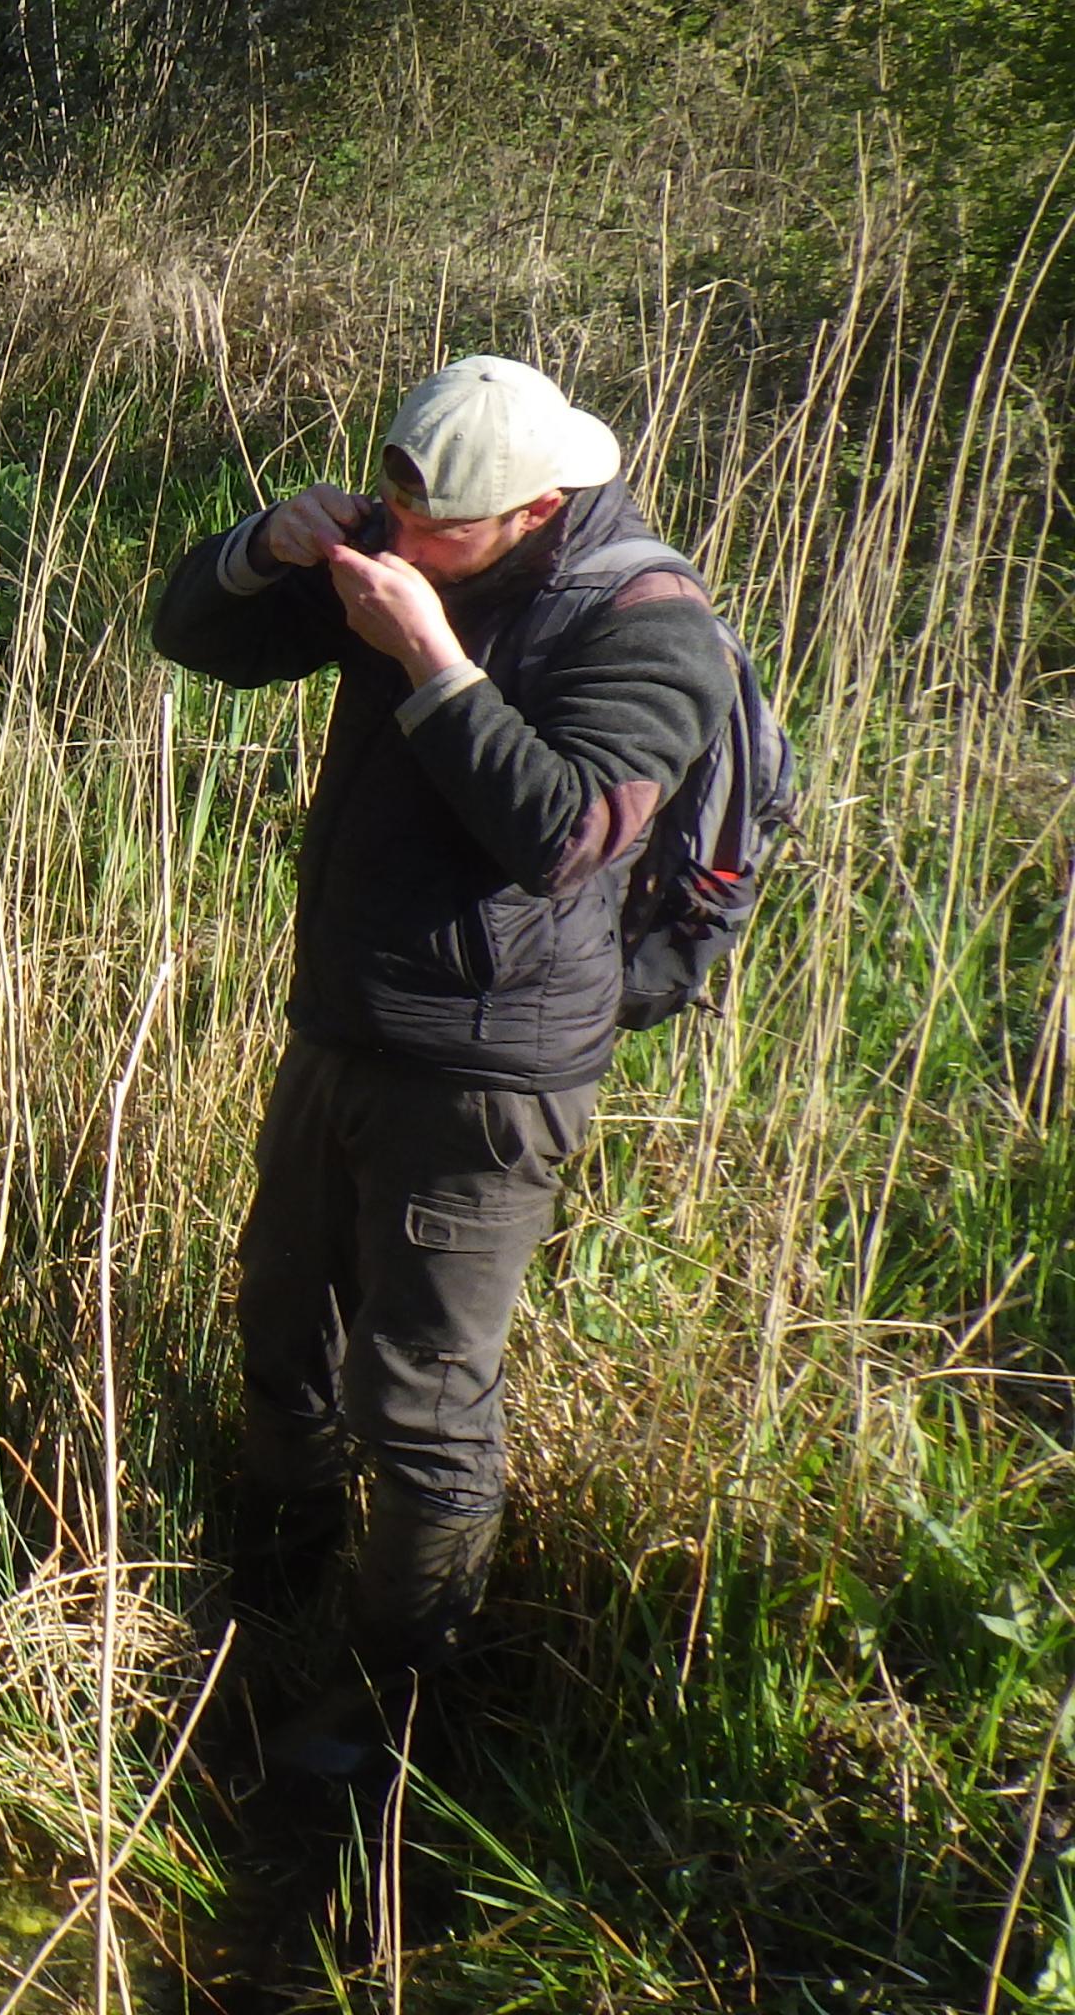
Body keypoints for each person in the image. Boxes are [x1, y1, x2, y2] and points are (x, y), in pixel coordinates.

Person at [149, 357, 739, 1777]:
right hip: (344, 1023)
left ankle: (379, 1710)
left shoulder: (651, 632)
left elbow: (565, 836)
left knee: (422, 1407)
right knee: (284, 1332)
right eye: (394, 503)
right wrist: (262, 550)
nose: (402, 538)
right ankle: (263, 1613)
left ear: (539, 507)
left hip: (486, 1073)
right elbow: (195, 638)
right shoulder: (413, 547)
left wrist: (431, 658)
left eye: (439, 526)